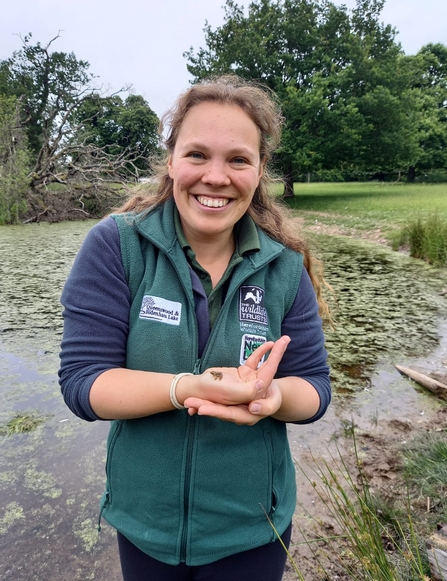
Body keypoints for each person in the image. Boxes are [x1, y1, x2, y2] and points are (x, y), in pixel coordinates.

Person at [59, 75, 331, 581]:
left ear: (259, 170)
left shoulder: (285, 268)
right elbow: (82, 383)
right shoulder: (116, 248)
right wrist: (184, 388)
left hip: (254, 528)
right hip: (146, 527)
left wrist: (273, 400)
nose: (216, 176)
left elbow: (314, 388)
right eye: (197, 155)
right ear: (171, 161)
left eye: (238, 159)